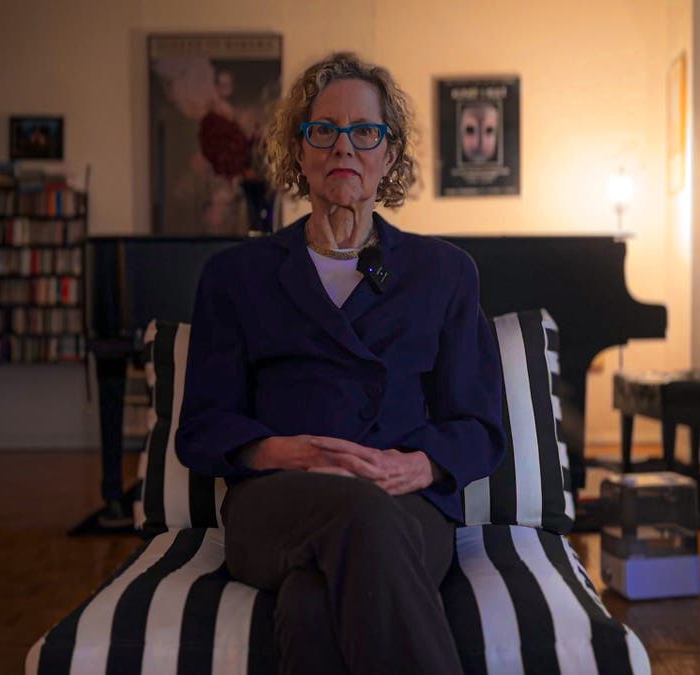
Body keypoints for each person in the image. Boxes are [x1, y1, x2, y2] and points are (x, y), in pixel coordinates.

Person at [176, 51, 505, 675]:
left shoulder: (445, 274)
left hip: (405, 504)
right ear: (299, 151)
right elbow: (202, 427)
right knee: (358, 515)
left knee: (310, 605)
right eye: (323, 130)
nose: (343, 148)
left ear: (390, 153)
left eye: (365, 132)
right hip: (274, 503)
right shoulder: (235, 277)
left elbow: (479, 424)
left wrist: (417, 464)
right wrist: (289, 453)